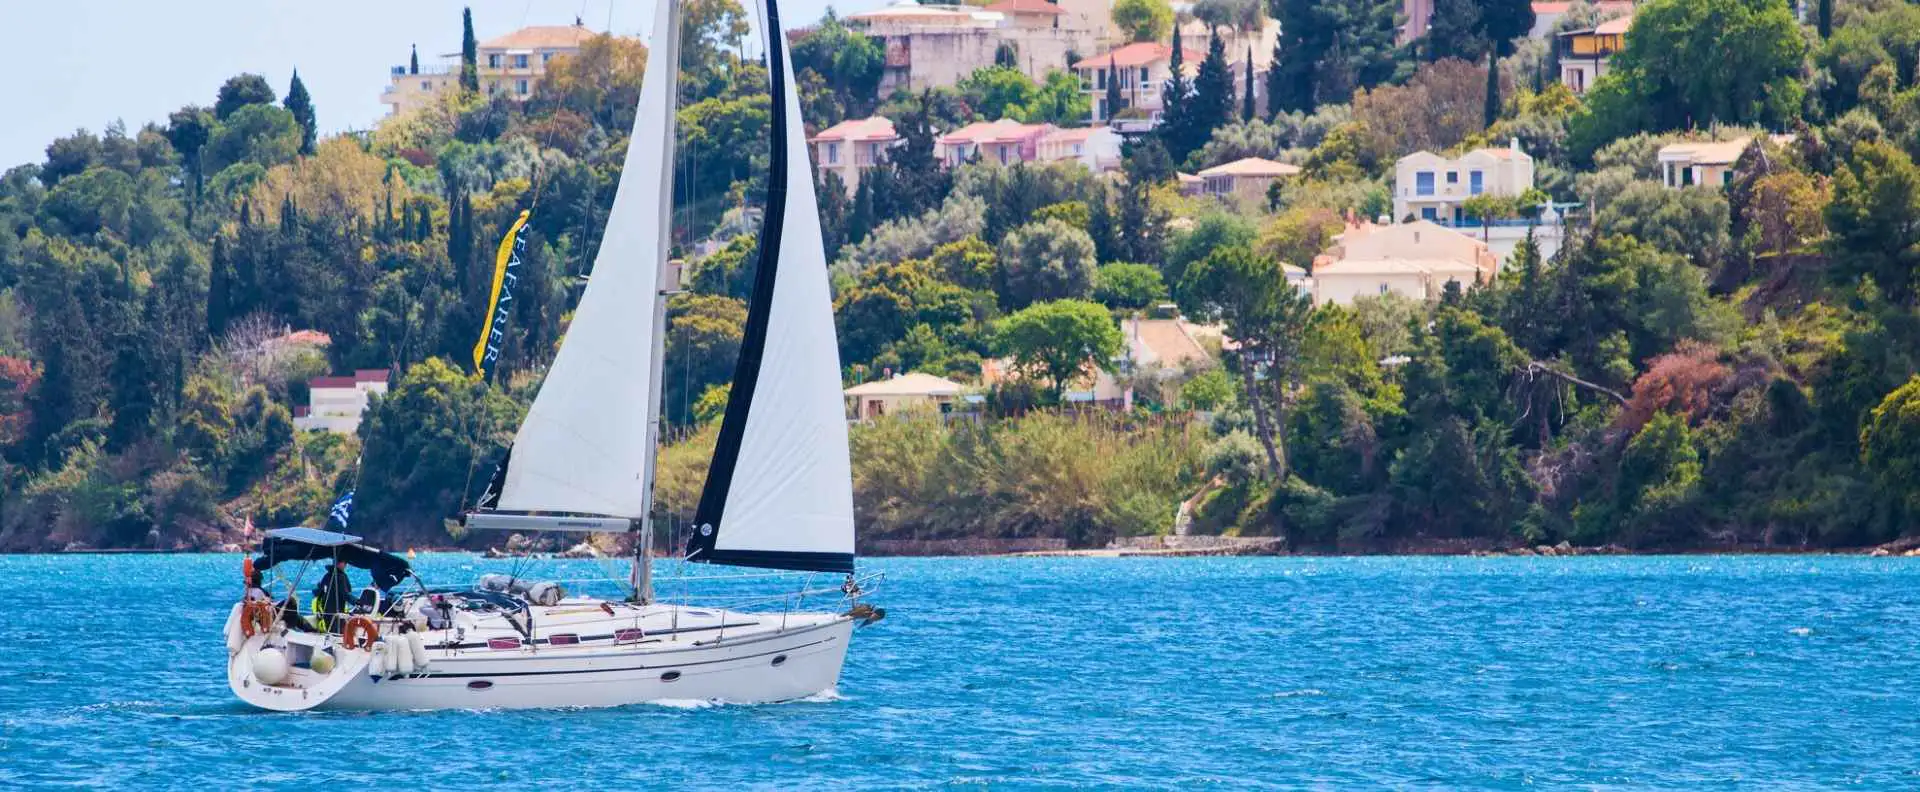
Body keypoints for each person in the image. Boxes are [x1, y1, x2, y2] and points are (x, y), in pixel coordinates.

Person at [312, 561, 353, 631]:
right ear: (341, 563)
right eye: (345, 563)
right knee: (337, 632)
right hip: (336, 612)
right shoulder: (341, 577)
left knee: (331, 630)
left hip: (326, 612)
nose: (346, 565)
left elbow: (319, 592)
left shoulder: (327, 576)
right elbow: (346, 594)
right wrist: (358, 602)